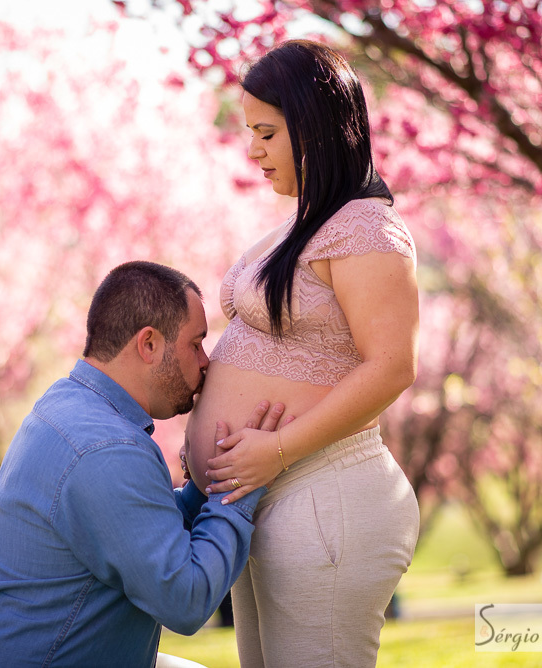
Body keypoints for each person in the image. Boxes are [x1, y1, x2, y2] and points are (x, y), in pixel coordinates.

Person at [183, 40, 421, 667]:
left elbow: (393, 365)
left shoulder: (367, 229)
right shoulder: (301, 226)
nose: (252, 149)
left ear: (313, 126)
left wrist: (277, 449)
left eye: (266, 132)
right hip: (257, 499)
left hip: (321, 493)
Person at [0, 261, 287, 668]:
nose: (206, 362)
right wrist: (239, 486)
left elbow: (132, 532)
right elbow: (186, 600)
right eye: (195, 344)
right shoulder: (109, 449)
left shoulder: (67, 404)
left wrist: (203, 487)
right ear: (149, 344)